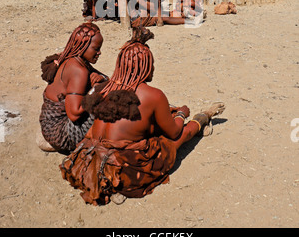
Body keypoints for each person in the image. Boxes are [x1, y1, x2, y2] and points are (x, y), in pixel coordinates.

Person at [60, 27, 225, 205]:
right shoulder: (153, 95)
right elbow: (174, 132)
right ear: (145, 66)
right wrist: (180, 114)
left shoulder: (107, 88)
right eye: (151, 64)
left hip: (89, 159)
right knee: (172, 143)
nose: (153, 68)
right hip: (119, 167)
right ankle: (203, 117)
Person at [38, 22, 108, 154]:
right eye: (96, 49)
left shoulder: (72, 58)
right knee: (105, 102)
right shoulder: (78, 71)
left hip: (47, 123)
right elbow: (74, 114)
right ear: (83, 47)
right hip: (60, 133)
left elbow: (105, 78)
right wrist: (95, 91)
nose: (99, 53)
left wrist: (101, 80)